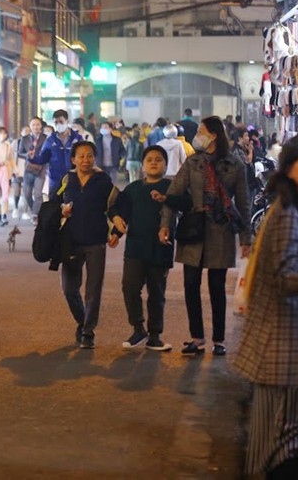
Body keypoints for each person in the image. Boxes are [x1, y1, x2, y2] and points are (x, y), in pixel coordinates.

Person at [233, 133, 298, 479]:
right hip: (285, 351)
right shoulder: (290, 213)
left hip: (295, 350)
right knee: (283, 447)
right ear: (289, 168)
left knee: (290, 442)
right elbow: (282, 281)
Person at [159, 116, 251, 355]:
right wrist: (165, 224)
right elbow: (173, 194)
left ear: (214, 135)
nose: (196, 135)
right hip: (194, 228)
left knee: (217, 287)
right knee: (191, 284)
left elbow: (243, 204)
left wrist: (246, 239)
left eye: (201, 131)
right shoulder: (192, 162)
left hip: (221, 230)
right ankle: (197, 337)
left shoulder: (234, 165)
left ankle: (219, 340)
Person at [113, 145, 191, 351]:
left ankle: (155, 335)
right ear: (142, 165)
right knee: (129, 287)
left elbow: (186, 203)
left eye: (159, 159)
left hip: (160, 248)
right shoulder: (132, 189)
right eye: (149, 159)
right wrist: (116, 228)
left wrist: (167, 199)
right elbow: (119, 210)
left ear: (166, 165)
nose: (154, 162)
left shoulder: (172, 187)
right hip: (135, 248)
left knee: (156, 292)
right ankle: (138, 328)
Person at [57, 141, 124, 349]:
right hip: (71, 242)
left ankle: (87, 331)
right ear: (73, 159)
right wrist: (62, 210)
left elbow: (115, 206)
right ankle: (82, 320)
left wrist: (116, 230)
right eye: (81, 156)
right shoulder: (67, 179)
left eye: (89, 156)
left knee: (93, 290)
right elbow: (54, 200)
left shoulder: (103, 180)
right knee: (69, 289)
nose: (85, 160)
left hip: (96, 241)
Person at [29, 110, 83, 197]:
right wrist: (32, 158)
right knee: (54, 207)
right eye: (56, 122)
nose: (58, 125)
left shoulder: (77, 139)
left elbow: (83, 157)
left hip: (74, 179)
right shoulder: (50, 140)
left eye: (61, 122)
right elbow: (43, 158)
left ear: (67, 121)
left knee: (74, 206)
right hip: (55, 181)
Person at [17, 117, 48, 221]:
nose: (36, 127)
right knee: (27, 193)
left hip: (41, 168)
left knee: (38, 193)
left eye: (38, 124)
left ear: (41, 126)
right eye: (33, 125)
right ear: (30, 126)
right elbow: (20, 152)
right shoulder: (24, 139)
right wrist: (27, 154)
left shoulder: (46, 138)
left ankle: (35, 215)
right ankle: (35, 210)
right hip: (28, 169)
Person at [12, 126, 30, 219]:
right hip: (17, 166)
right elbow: (11, 155)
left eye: (28, 131)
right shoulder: (16, 142)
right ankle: (15, 208)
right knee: (16, 190)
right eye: (25, 130)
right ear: (21, 132)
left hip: (28, 167)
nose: (26, 132)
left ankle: (25, 211)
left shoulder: (32, 142)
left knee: (26, 191)